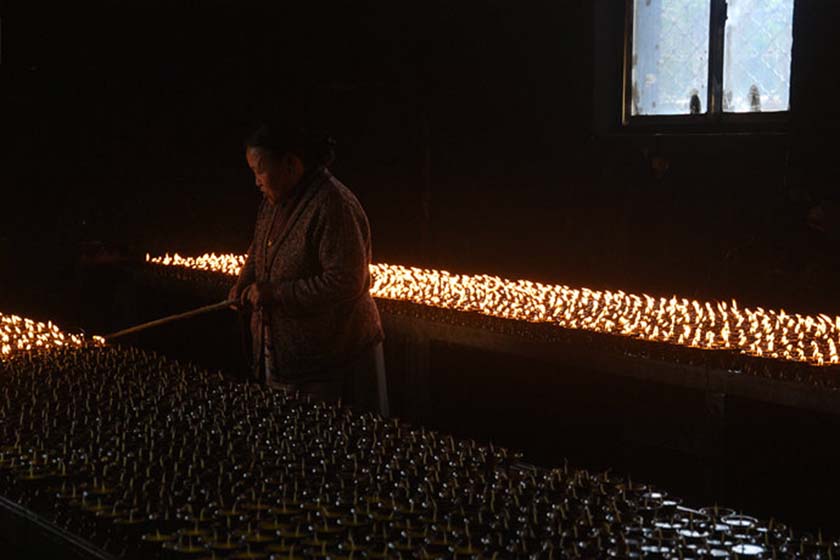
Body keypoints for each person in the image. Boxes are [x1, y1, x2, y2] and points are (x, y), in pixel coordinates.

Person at [228, 121, 388, 416]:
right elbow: (259, 247)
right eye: (252, 172)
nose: (256, 182)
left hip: (331, 360)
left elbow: (346, 281)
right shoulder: (274, 201)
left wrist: (277, 293)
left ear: (290, 163)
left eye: (260, 169)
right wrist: (244, 282)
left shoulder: (332, 204)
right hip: (288, 358)